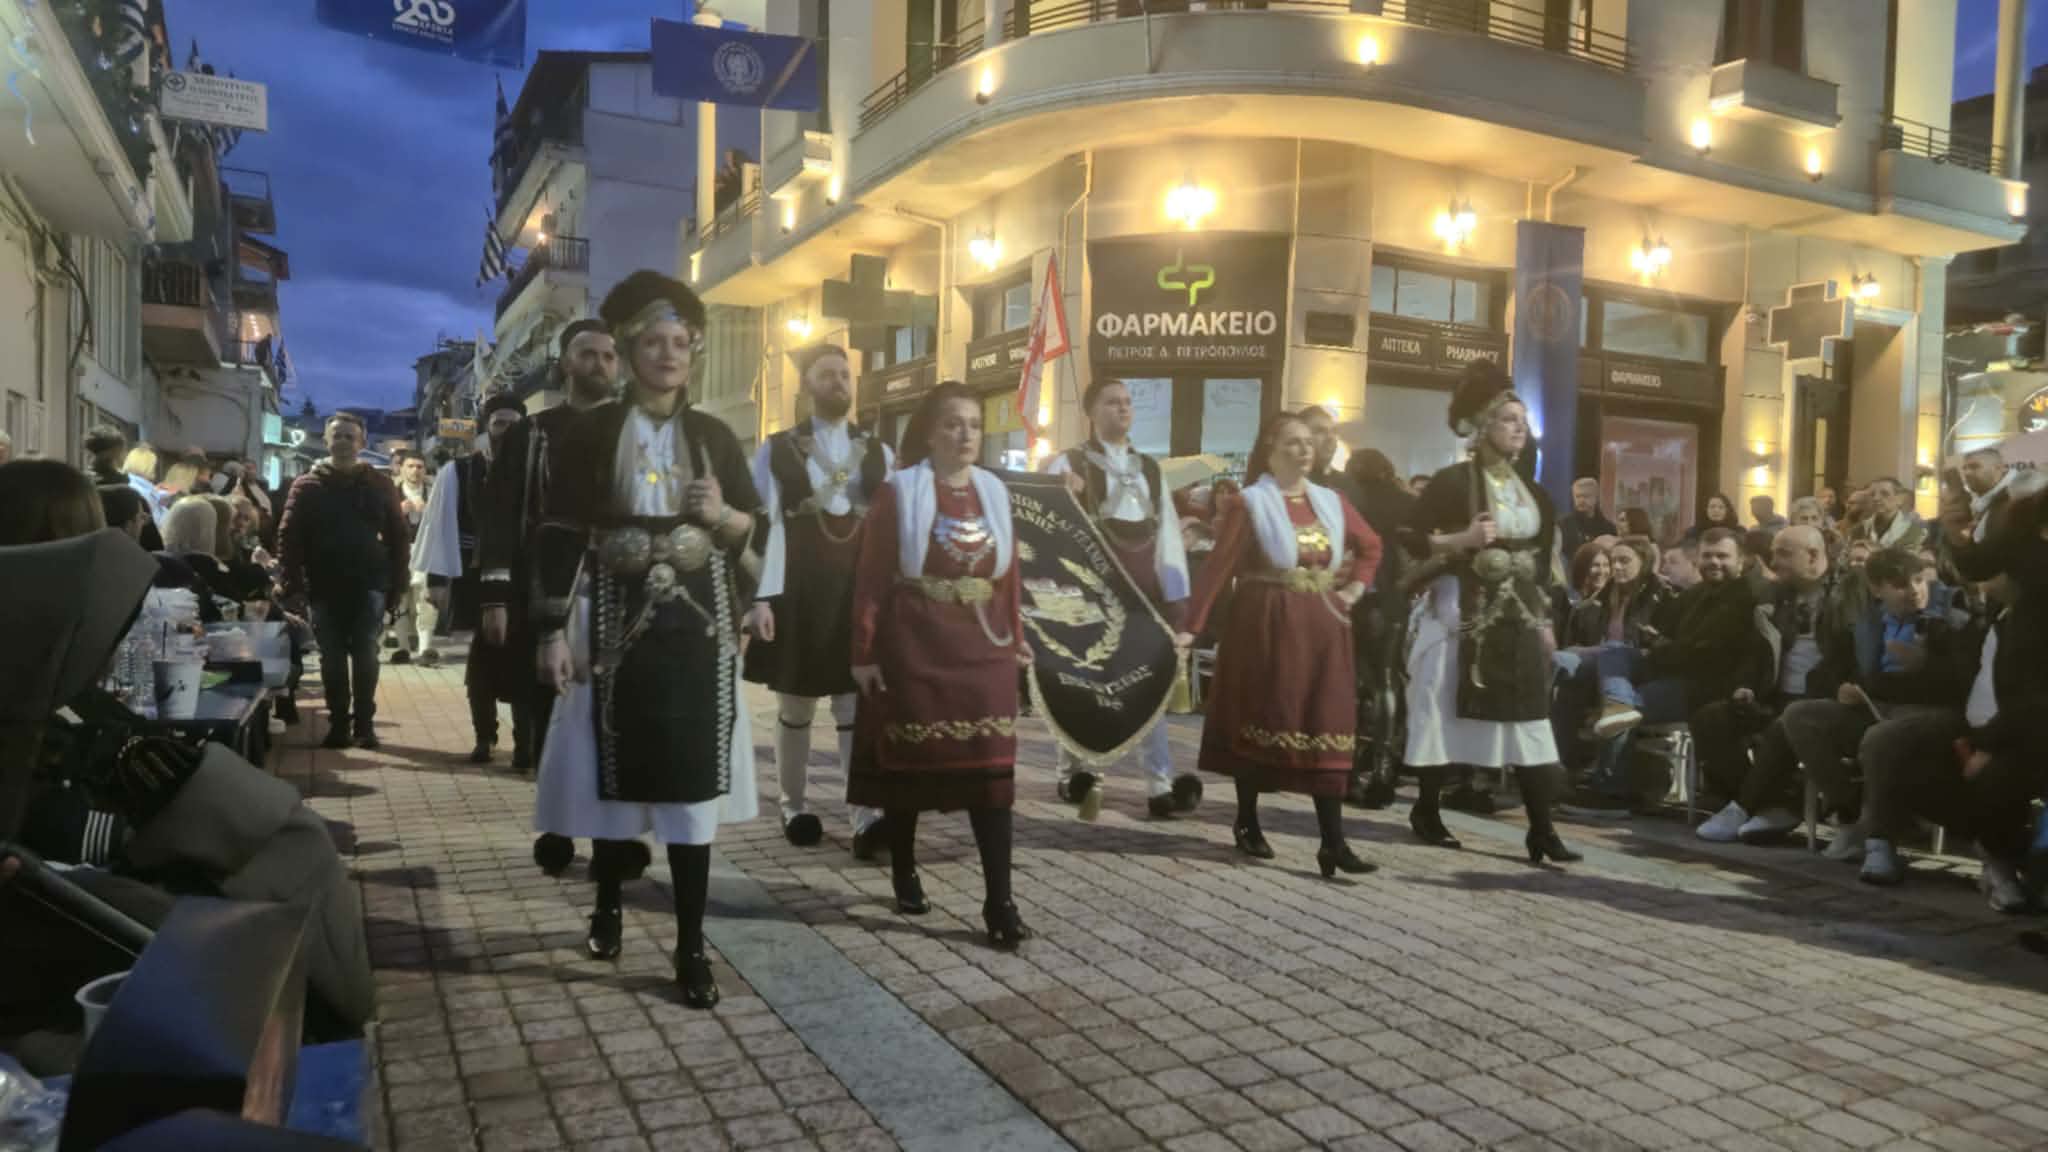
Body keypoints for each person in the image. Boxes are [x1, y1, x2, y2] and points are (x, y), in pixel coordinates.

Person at [530, 270, 759, 1005]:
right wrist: (550, 631)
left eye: (680, 343)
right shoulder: (591, 433)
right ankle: (607, 904)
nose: (668, 355)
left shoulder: (715, 438)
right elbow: (559, 532)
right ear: (629, 352)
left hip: (697, 628)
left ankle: (691, 946)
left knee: (690, 781)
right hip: (609, 619)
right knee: (610, 769)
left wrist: (724, 516)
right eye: (654, 343)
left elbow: (756, 532)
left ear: (693, 353)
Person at [847, 381, 1032, 946]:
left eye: (974, 424)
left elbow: (1008, 579)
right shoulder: (899, 492)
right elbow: (871, 577)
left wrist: (1017, 638)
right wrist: (863, 652)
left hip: (984, 648)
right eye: (953, 423)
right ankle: (905, 870)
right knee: (912, 765)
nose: (965, 434)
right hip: (915, 642)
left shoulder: (995, 491)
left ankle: (999, 901)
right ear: (929, 432)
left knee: (991, 771)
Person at [1172, 411, 1382, 871]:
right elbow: (1218, 568)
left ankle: (1333, 842)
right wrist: (1191, 625)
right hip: (1265, 626)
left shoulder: (1332, 502)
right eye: (1292, 442)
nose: (1304, 449)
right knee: (1263, 717)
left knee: (1325, 721)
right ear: (1270, 450)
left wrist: (1353, 590)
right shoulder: (1250, 504)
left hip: (1324, 629)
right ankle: (1247, 820)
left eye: (1308, 441)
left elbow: (1371, 545)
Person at [1402, 364, 1577, 863]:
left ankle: (1541, 829)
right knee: (1441, 706)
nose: (1519, 428)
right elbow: (1408, 536)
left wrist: (1545, 623)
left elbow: (1541, 565)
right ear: (1482, 427)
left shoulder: (1535, 494)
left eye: (1523, 421)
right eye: (1508, 419)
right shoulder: (1452, 482)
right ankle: (1427, 810)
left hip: (1517, 617)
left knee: (1529, 717)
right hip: (1461, 612)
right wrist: (1461, 539)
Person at [743, 345, 896, 848]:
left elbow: (894, 529)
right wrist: (761, 598)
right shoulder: (777, 449)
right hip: (799, 589)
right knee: (797, 704)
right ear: (808, 384)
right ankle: (794, 808)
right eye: (827, 374)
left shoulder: (879, 452)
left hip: (857, 590)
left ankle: (864, 815)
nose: (839, 383)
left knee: (854, 704)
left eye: (845, 374)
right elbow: (764, 523)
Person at [482, 318, 620, 872]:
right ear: (565, 362)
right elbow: (499, 512)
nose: (600, 364)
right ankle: (558, 825)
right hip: (544, 588)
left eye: (609, 355)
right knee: (550, 713)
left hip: (618, 590)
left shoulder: (635, 429)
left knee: (614, 717)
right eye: (588, 354)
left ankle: (613, 839)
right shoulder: (532, 432)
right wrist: (494, 595)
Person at [1042, 379, 1197, 821]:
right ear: (1091, 411)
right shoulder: (1067, 463)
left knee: (1149, 686)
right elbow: (1045, 526)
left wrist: (1177, 603)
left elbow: (1168, 537)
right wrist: (1061, 491)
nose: (1123, 409)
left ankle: (1160, 786)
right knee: (1080, 684)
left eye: (1128, 402)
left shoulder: (1150, 469)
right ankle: (1073, 774)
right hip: (1089, 596)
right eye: (1112, 402)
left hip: (1142, 599)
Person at [1693, 525, 1848, 842]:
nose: (1774, 561)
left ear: (1813, 556)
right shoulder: (1775, 597)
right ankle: (1775, 805)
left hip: (1822, 698)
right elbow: (1757, 650)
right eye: (1774, 553)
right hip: (1775, 694)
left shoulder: (1845, 595)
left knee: (1786, 722)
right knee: (1711, 718)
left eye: (1784, 554)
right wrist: (1747, 684)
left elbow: (1848, 656)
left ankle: (1743, 807)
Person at [277, 412, 411, 751]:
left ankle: (364, 723)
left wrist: (398, 584)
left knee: (366, 653)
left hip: (369, 583)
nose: (343, 441)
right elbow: (289, 538)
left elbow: (398, 537)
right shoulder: (306, 486)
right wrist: (293, 585)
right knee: (332, 656)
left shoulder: (379, 484)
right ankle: (338, 724)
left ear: (362, 443)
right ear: (326, 440)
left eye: (350, 436)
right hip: (324, 584)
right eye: (337, 435)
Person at [417, 393, 532, 768]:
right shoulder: (461, 470)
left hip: (526, 579)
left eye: (514, 424)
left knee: (524, 661)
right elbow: (439, 526)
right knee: (481, 661)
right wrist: (437, 580)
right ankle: (485, 736)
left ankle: (526, 743)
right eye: (499, 423)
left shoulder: (537, 467)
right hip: (474, 577)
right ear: (487, 428)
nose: (507, 430)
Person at [383, 451, 434, 665]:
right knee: (400, 600)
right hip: (398, 553)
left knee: (425, 600)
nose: (415, 471)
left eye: (419, 467)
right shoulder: (390, 493)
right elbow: (378, 521)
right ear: (401, 469)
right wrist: (398, 511)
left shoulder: (433, 493)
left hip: (426, 552)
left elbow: (446, 519)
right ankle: (403, 648)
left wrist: (429, 511)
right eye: (411, 466)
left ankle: (425, 649)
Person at [1299, 405, 1363, 512]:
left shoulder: (1348, 486)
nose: (1330, 437)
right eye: (1320, 431)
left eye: (1334, 431)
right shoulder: (1289, 484)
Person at [1855, 476, 1926, 551]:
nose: (1876, 498)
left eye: (1884, 494)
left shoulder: (1915, 531)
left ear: (1900, 499)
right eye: (1872, 494)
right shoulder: (1859, 529)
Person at [1558, 478, 1617, 564]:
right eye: (1578, 496)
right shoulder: (1563, 525)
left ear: (1596, 497)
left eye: (1586, 496)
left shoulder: (1609, 528)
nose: (1581, 500)